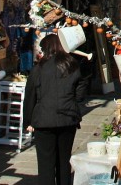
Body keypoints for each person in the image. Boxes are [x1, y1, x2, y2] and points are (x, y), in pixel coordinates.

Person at [23, 33, 88, 185]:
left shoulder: (38, 69)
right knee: (64, 161)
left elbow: (30, 96)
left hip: (44, 119)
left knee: (46, 163)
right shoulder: (72, 66)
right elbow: (80, 93)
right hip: (67, 118)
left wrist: (28, 120)